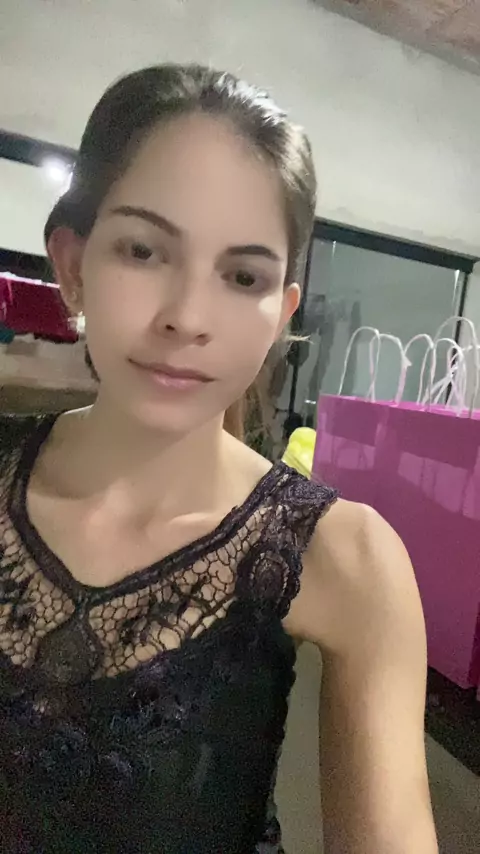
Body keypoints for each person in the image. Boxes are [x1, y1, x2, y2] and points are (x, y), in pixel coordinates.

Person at [0, 64, 438, 854]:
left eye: (243, 276)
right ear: (71, 266)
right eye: (143, 250)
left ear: (281, 314)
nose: (188, 317)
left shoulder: (348, 558)